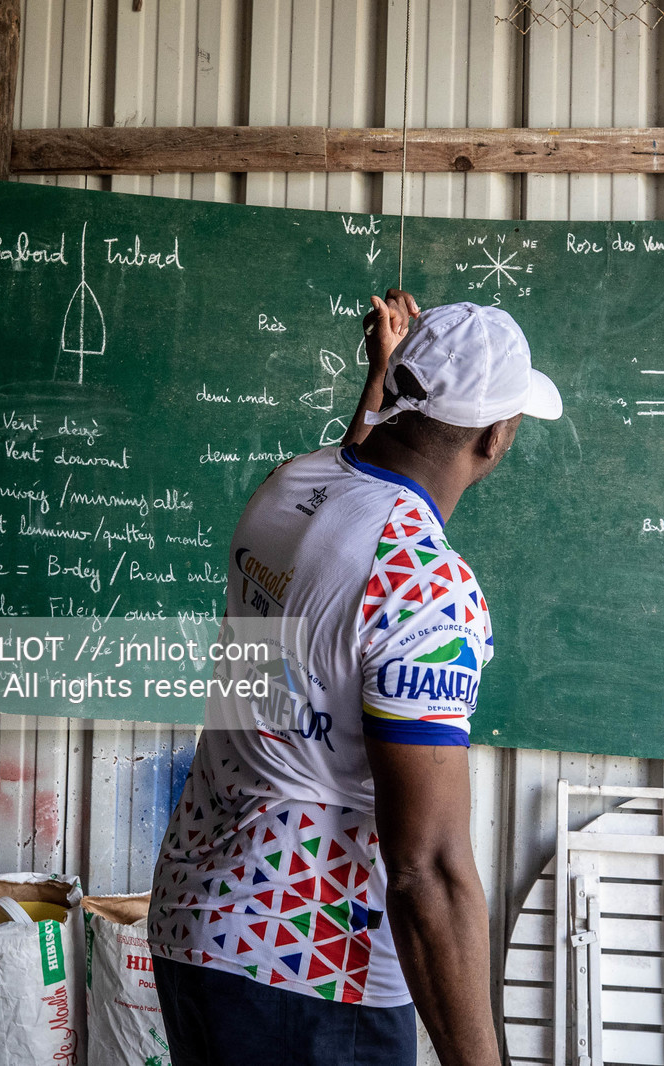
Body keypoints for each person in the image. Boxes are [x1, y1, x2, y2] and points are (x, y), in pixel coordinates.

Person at [148, 289, 562, 1066]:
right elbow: (427, 867)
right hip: (308, 959)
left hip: (194, 921)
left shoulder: (289, 487)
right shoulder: (424, 588)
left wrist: (379, 380)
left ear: (399, 397)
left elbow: (354, 482)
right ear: (496, 437)